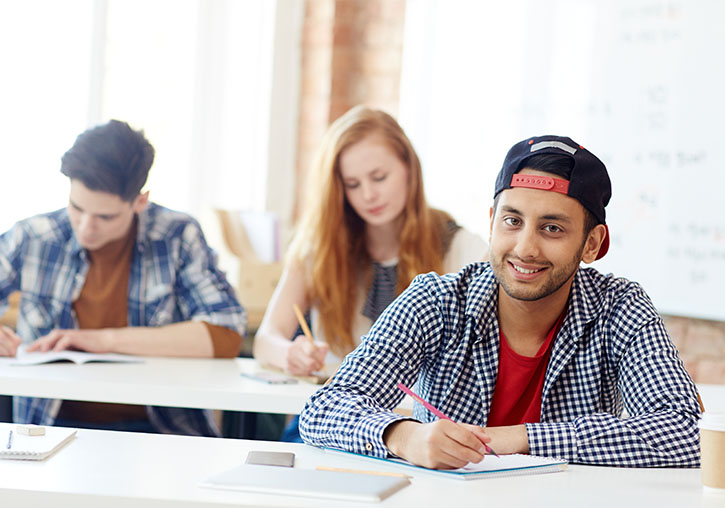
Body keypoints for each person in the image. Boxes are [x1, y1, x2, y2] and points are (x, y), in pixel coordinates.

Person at [299, 135, 701, 468]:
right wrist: (406, 437)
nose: (525, 248)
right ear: (491, 221)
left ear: (592, 244)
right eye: (512, 221)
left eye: (552, 228)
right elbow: (324, 409)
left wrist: (521, 438)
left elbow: (686, 433)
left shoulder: (620, 308)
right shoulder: (435, 300)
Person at [254, 106, 487, 441]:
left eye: (379, 177)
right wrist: (290, 354)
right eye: (352, 184)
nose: (368, 195)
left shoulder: (461, 247)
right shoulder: (318, 248)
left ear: (409, 167)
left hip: (422, 430)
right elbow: (266, 339)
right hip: (337, 425)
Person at [0, 120, 246, 436]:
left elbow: (226, 332)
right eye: (77, 207)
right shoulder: (34, 235)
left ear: (140, 201)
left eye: (105, 216)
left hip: (159, 430)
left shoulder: (177, 235)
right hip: (47, 427)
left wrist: (103, 340)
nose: (86, 227)